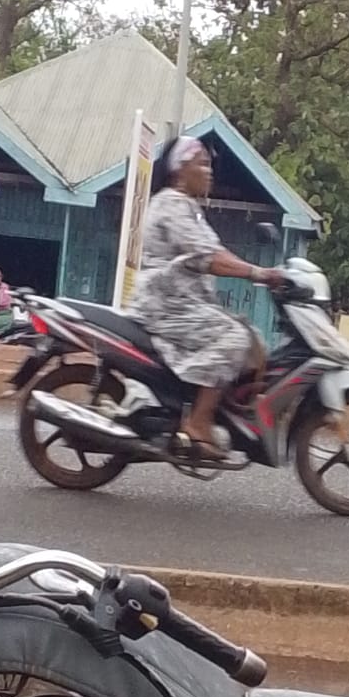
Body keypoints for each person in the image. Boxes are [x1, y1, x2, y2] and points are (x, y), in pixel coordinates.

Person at [130, 136, 283, 460]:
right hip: (167, 304)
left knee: (253, 341)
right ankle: (197, 422)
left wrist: (262, 271)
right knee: (234, 338)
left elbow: (216, 252)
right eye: (201, 163)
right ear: (180, 170)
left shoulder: (187, 207)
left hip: (184, 303)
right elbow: (208, 257)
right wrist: (259, 273)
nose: (209, 171)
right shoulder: (172, 203)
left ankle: (214, 410)